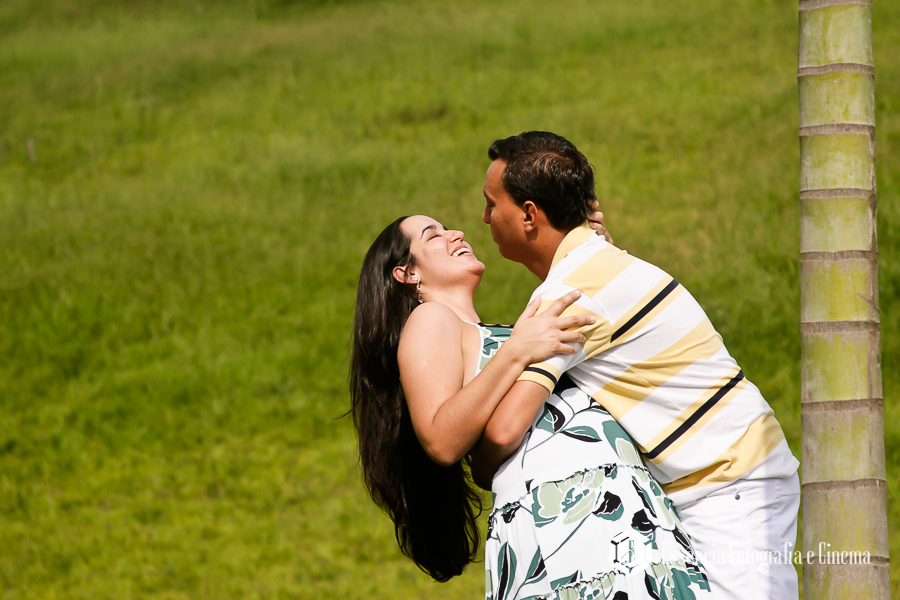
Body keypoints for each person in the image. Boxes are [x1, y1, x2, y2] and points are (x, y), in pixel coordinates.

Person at [478, 130, 801, 600]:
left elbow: (504, 432)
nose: (484, 217)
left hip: (731, 487)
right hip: (725, 479)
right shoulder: (598, 260)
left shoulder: (569, 293)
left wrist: (474, 454)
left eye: (491, 203)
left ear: (529, 214)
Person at [350, 215, 712, 599]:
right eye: (433, 235)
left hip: (625, 510)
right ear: (406, 274)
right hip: (563, 523)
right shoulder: (431, 319)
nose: (455, 233)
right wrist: (516, 351)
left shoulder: (502, 333)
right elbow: (441, 439)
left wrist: (592, 249)